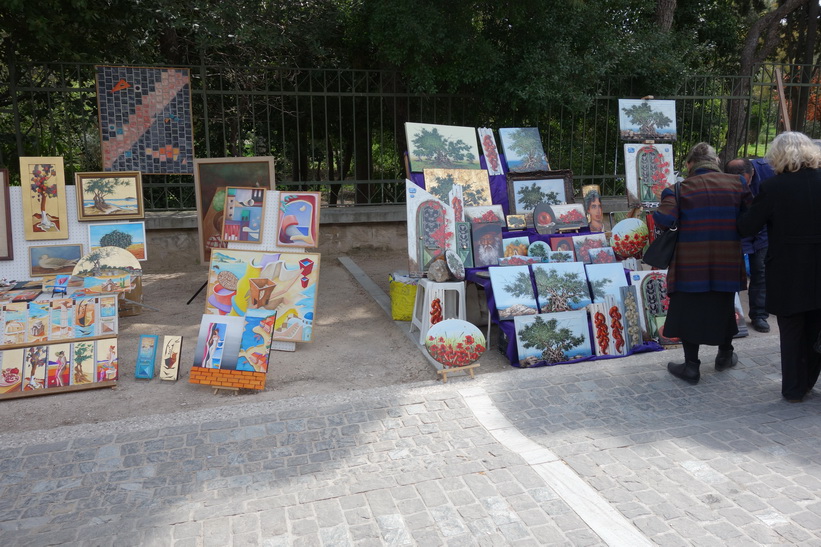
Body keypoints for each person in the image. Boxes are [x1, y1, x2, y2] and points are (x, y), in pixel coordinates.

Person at [653, 142, 752, 384]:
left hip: (690, 264)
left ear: (690, 164)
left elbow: (664, 220)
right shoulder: (738, 184)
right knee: (725, 307)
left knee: (688, 312)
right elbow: (750, 221)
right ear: (716, 162)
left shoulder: (678, 189)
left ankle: (691, 367)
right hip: (726, 261)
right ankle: (724, 356)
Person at [738, 131, 821, 402]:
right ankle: (809, 380)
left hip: (789, 270)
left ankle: (795, 388)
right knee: (816, 327)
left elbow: (748, 226)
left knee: (792, 330)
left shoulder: (773, 187)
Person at [725, 157, 773, 333]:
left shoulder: (769, 170)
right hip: (738, 228)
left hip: (763, 230)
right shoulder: (725, 180)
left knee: (760, 271)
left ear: (752, 173)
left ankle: (759, 315)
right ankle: (732, 315)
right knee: (735, 274)